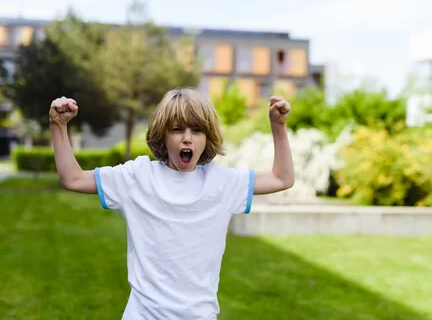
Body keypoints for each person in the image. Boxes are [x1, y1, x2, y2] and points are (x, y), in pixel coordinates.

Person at [49, 88, 294, 320]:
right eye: (177, 129)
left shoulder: (221, 183)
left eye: (197, 130)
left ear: (207, 138)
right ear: (162, 135)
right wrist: (58, 126)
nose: (187, 139)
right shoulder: (137, 177)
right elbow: (73, 178)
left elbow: (282, 178)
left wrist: (278, 127)